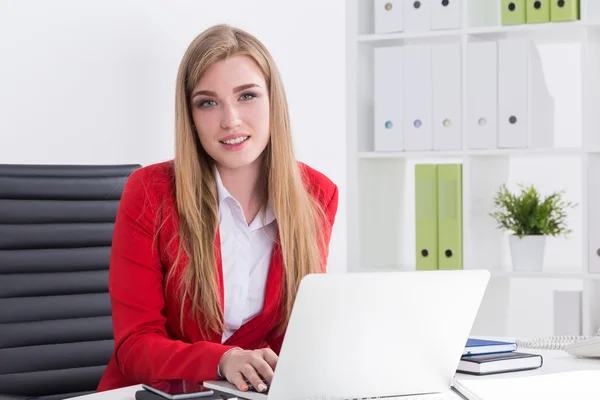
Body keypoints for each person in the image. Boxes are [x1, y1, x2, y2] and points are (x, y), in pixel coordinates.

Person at [96, 24, 339, 393]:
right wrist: (222, 361)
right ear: (190, 117)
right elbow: (134, 347)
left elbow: (299, 334)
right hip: (160, 393)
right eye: (208, 102)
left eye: (247, 96)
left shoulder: (317, 195)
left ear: (274, 101)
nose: (231, 120)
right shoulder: (150, 193)